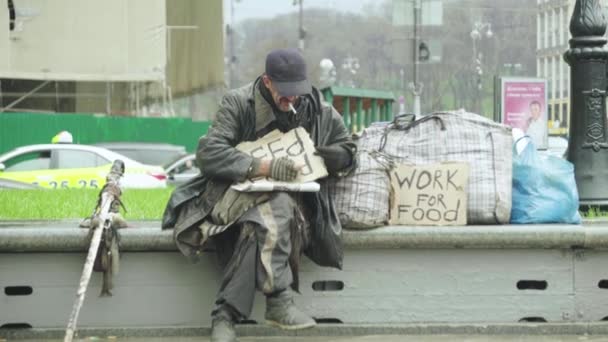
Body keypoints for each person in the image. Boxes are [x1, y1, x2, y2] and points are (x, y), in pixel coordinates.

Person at [161, 48, 357, 342]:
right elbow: (208, 153)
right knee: (272, 207)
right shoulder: (238, 103)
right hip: (233, 203)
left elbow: (350, 151)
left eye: (297, 92)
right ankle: (278, 300)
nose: (291, 99)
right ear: (267, 81)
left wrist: (338, 157)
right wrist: (261, 167)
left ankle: (225, 315)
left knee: (264, 219)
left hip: (295, 213)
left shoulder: (320, 110)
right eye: (284, 92)